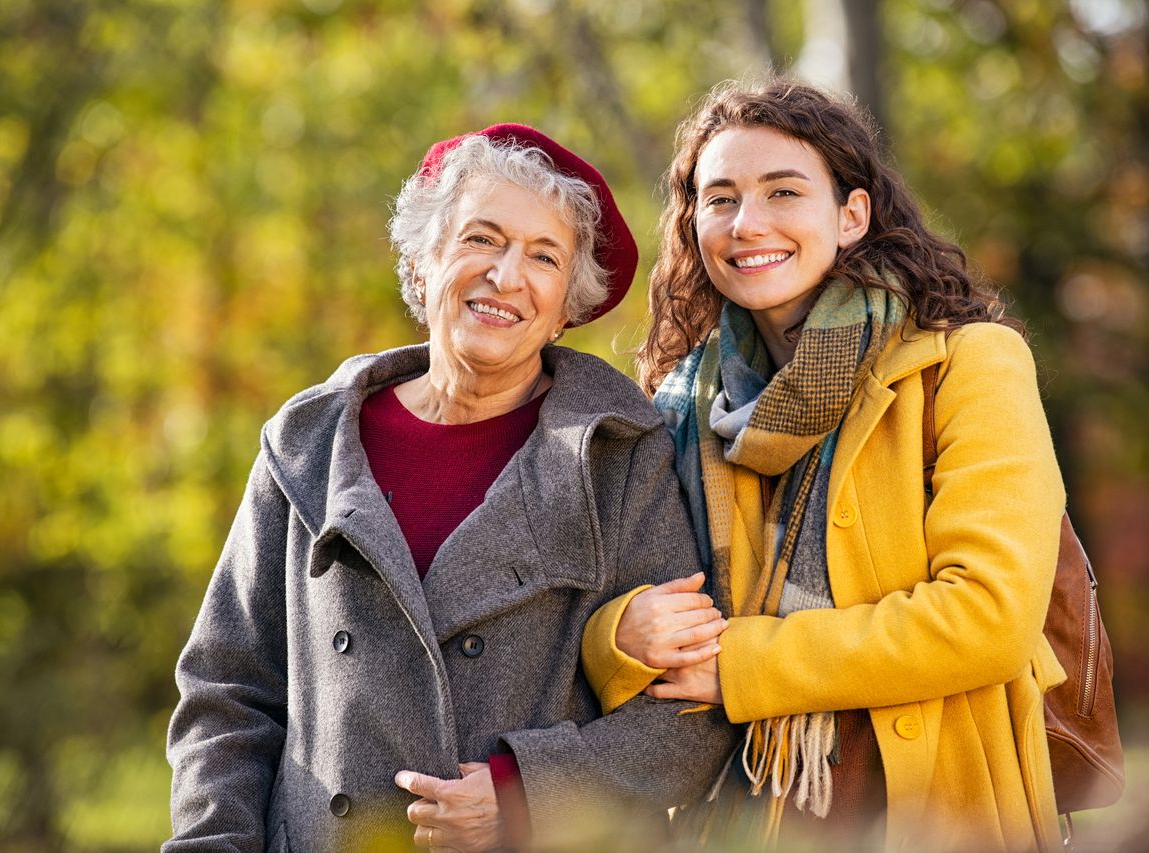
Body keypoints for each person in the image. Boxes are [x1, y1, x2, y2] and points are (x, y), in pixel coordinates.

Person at [164, 123, 737, 851]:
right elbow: (227, 693)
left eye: (543, 257)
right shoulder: (308, 443)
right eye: (481, 239)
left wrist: (524, 795)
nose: (506, 275)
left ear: (567, 305)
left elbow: (688, 717)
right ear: (422, 262)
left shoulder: (619, 451)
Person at [581, 79, 1068, 851]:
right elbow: (609, 610)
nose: (749, 224)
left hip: (932, 805)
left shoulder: (967, 363)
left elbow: (990, 616)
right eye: (721, 198)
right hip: (739, 813)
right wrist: (618, 635)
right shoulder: (676, 408)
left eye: (783, 191)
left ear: (851, 216)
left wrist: (746, 662)